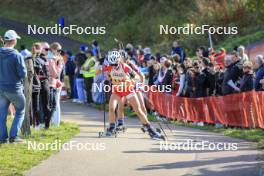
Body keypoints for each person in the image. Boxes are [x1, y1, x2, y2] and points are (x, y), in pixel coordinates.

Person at [104, 51, 162, 139]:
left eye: (115, 64)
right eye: (111, 64)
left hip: (128, 90)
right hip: (117, 91)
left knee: (138, 110)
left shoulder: (125, 67)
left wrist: (129, 81)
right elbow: (108, 77)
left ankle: (151, 130)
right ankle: (111, 128)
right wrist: (109, 79)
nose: (113, 66)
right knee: (111, 108)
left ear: (119, 61)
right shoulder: (109, 68)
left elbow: (136, 77)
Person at [0, 30, 27, 143]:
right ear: (13, 41)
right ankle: (14, 137)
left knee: (2, 113)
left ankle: (2, 138)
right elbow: (23, 74)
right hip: (14, 88)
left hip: (1, 88)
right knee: (20, 110)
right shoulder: (17, 55)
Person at [46, 42, 63, 129]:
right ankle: (54, 122)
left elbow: (59, 74)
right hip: (52, 83)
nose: (60, 52)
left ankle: (55, 122)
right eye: (58, 50)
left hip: (55, 83)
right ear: (52, 49)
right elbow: (56, 73)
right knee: (54, 104)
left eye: (60, 50)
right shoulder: (51, 58)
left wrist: (59, 63)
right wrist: (59, 64)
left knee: (54, 104)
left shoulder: (56, 58)